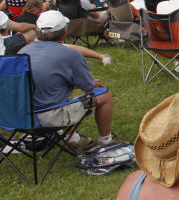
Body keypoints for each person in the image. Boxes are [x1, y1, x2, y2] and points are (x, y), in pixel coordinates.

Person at [21, 10, 115, 147]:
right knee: (104, 95)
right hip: (48, 117)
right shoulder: (70, 54)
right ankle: (106, 140)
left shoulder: (23, 52)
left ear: (37, 31)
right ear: (65, 32)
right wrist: (94, 83)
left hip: (21, 116)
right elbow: (89, 87)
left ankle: (74, 139)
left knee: (54, 96)